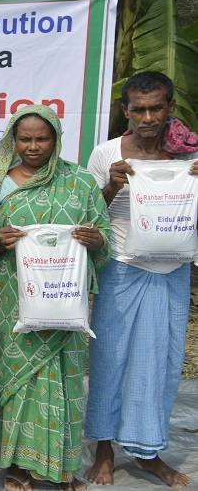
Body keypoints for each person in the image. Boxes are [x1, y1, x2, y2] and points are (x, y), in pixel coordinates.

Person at [0, 105, 109, 491]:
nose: (33, 146)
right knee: (15, 379)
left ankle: (61, 468)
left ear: (56, 139)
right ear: (12, 141)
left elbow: (103, 235)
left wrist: (94, 239)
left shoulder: (80, 182)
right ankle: (16, 465)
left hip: (62, 296)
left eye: (42, 138)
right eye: (25, 138)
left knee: (63, 380)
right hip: (12, 295)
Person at [84, 72, 198, 488]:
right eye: (139, 109)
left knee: (160, 362)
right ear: (125, 110)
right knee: (110, 359)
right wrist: (111, 187)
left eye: (156, 108)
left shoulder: (189, 154)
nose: (148, 117)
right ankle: (104, 450)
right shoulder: (106, 154)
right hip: (121, 269)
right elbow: (88, 219)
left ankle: (148, 450)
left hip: (171, 271)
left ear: (169, 108)